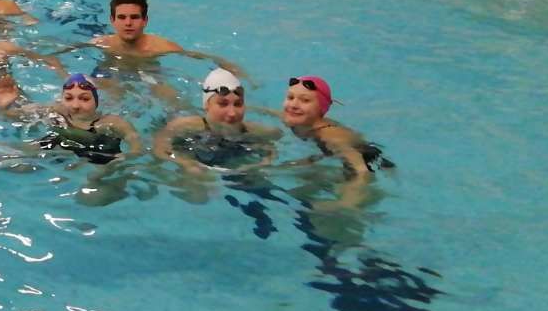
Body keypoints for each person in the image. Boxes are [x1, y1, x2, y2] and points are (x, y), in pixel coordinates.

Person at [279, 75, 386, 209]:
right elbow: (273, 113)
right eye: (290, 97)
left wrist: (347, 202)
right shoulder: (295, 119)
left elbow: (362, 171)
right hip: (335, 155)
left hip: (368, 160)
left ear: (321, 108)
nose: (293, 105)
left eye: (305, 100)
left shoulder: (330, 136)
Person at [84, 0, 243, 76]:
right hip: (112, 72)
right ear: (112, 20)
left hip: (149, 73)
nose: (128, 23)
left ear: (145, 21)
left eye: (134, 17)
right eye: (122, 17)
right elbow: (71, 48)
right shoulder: (102, 43)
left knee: (171, 100)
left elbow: (198, 57)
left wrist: (228, 66)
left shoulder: (160, 47)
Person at [152, 68, 279, 174]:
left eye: (238, 104)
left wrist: (264, 163)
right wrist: (185, 163)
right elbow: (160, 149)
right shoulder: (184, 126)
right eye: (223, 104)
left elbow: (273, 147)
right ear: (207, 105)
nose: (232, 113)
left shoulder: (256, 131)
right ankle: (154, 80)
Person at [0, 72, 140, 164]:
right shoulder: (56, 111)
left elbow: (136, 145)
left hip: (99, 155)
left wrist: (125, 159)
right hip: (61, 146)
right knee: (8, 160)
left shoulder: (111, 123)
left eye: (84, 99)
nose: (75, 105)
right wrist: (3, 107)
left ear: (96, 101)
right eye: (69, 98)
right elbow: (15, 116)